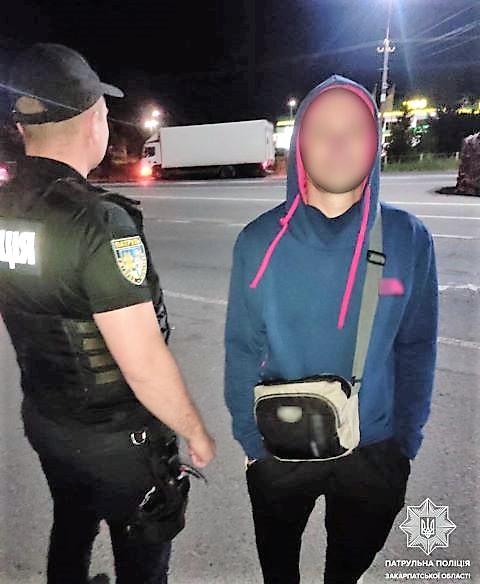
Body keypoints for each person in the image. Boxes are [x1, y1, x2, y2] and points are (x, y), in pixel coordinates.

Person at [0, 43, 215, 584]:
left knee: (72, 522)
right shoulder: (98, 221)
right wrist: (193, 430)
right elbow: (142, 363)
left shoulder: (6, 209)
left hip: (48, 418)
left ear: (23, 128)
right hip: (117, 442)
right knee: (144, 555)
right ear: (95, 118)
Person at [224, 75, 438, 584]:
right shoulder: (257, 241)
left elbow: (416, 346)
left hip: (375, 450)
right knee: (279, 570)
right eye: (322, 130)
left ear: (375, 142)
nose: (339, 144)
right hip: (280, 447)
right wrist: (253, 446)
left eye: (354, 130)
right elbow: (241, 346)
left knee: (347, 569)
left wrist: (404, 444)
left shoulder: (408, 238)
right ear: (299, 143)